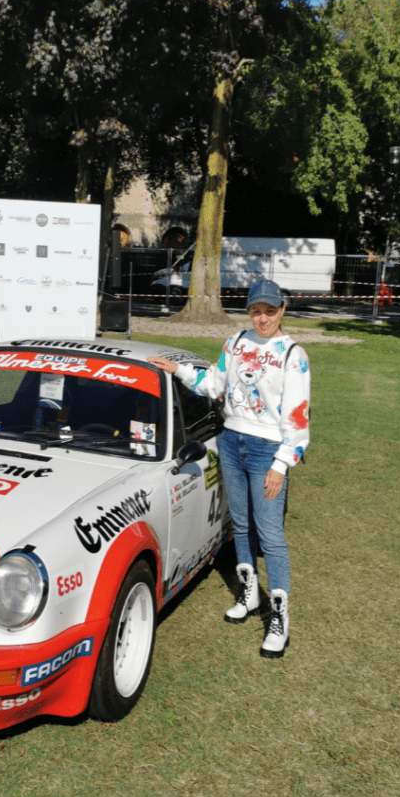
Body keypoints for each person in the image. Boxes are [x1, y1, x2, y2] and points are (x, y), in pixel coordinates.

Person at [148, 279, 310, 658]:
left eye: (270, 311)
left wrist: (281, 464)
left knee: (270, 533)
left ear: (282, 310)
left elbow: (298, 419)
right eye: (256, 311)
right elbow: (214, 383)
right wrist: (179, 370)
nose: (263, 318)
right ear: (249, 311)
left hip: (267, 450)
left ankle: (279, 618)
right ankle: (249, 593)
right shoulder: (236, 342)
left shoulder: (293, 355)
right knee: (240, 523)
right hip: (231, 443)